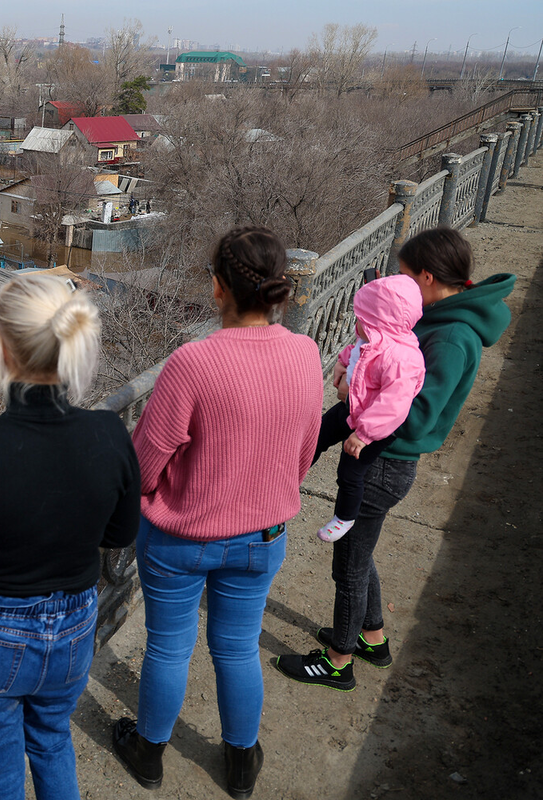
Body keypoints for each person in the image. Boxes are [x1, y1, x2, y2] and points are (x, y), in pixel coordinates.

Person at [111, 227, 323, 799]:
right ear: (280, 290)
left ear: (216, 287)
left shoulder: (193, 362)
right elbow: (305, 446)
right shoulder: (305, 353)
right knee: (237, 645)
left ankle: (149, 753)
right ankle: (239, 763)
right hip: (263, 532)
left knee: (168, 646)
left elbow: (146, 461)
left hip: (184, 536)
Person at [0, 273, 141, 800]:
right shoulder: (108, 434)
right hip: (72, 631)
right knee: (50, 740)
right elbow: (121, 532)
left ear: (0, 349)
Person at [276, 227, 515, 691]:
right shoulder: (438, 317)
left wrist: (356, 403)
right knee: (360, 554)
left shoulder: (450, 336)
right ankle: (372, 638)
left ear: (426, 277)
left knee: (348, 564)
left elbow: (415, 414)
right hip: (385, 457)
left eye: (404, 276)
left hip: (385, 460)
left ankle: (338, 660)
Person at [314, 275, 426, 543]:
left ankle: (344, 517)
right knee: (313, 437)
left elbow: (393, 405)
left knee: (350, 473)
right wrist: (342, 364)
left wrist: (363, 435)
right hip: (349, 409)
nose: (355, 325)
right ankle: (287, 478)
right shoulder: (372, 342)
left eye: (360, 320)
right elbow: (355, 354)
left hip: (373, 428)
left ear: (378, 325)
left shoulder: (401, 358)